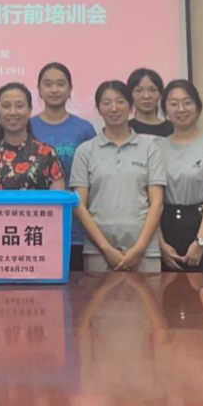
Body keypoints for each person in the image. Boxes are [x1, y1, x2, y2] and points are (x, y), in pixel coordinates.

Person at [70, 81, 166, 273]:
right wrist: (106, 249)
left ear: (130, 106)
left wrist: (139, 249)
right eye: (106, 103)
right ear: (98, 108)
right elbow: (79, 205)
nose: (114, 108)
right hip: (98, 250)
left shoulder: (150, 149)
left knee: (151, 294)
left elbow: (157, 203)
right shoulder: (85, 151)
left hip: (144, 250)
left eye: (120, 102)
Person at [154, 80, 203, 273]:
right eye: (173, 103)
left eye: (187, 102)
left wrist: (200, 242)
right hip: (167, 231)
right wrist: (160, 243)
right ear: (165, 110)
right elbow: (152, 201)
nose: (181, 109)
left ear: (197, 108)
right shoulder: (156, 148)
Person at [31, 62, 97, 271]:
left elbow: (94, 178)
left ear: (70, 89)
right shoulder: (27, 126)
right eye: (48, 84)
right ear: (39, 89)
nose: (54, 89)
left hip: (76, 228)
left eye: (60, 84)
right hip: (34, 226)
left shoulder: (84, 129)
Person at [0, 82, 65, 191]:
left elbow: (59, 199)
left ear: (30, 110)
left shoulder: (47, 154)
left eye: (19, 106)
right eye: (6, 106)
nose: (12, 112)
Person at [128, 68, 174, 137]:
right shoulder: (125, 129)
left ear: (160, 94)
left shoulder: (173, 129)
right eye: (139, 90)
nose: (146, 96)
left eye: (153, 90)